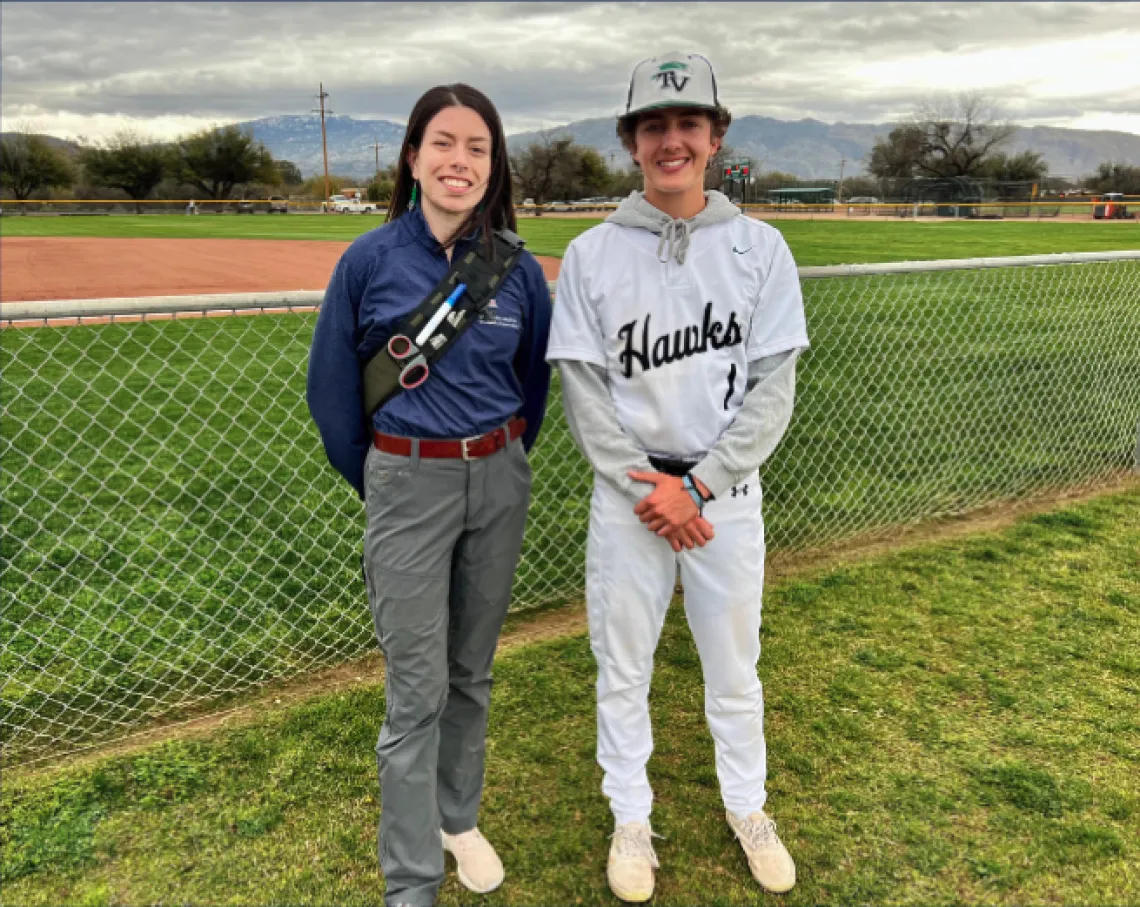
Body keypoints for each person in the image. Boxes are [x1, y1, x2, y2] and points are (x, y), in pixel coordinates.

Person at [546, 51, 809, 901]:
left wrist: (695, 487)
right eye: (653, 125)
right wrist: (649, 488)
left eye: (687, 123)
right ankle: (631, 816)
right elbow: (585, 394)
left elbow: (774, 391)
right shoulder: (590, 253)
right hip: (630, 500)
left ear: (715, 135)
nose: (671, 141)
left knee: (735, 666)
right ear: (630, 140)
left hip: (720, 497)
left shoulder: (762, 247)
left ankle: (749, 807)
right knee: (622, 665)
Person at [306, 83, 552, 907]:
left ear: (494, 164)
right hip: (407, 482)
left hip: (499, 479)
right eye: (443, 143)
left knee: (471, 671)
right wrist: (390, 480)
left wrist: (496, 464)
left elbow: (532, 389)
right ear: (412, 157)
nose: (460, 160)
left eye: (477, 147)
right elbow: (333, 398)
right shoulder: (369, 261)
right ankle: (411, 881)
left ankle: (458, 817)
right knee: (417, 688)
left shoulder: (515, 270)